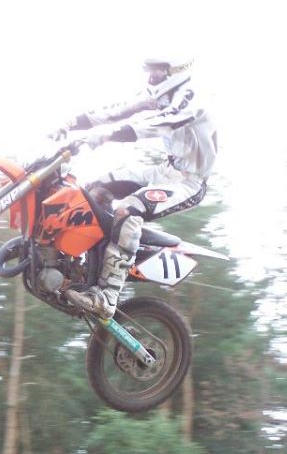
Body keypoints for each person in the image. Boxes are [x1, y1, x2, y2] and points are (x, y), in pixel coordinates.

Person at [54, 57, 218, 319]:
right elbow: (117, 110)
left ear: (174, 72)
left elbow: (162, 122)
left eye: (156, 71)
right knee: (95, 190)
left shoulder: (192, 97)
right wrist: (71, 123)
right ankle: (86, 271)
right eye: (149, 71)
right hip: (166, 170)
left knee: (129, 209)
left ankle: (108, 295)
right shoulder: (157, 95)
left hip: (189, 182)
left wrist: (108, 136)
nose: (151, 76)